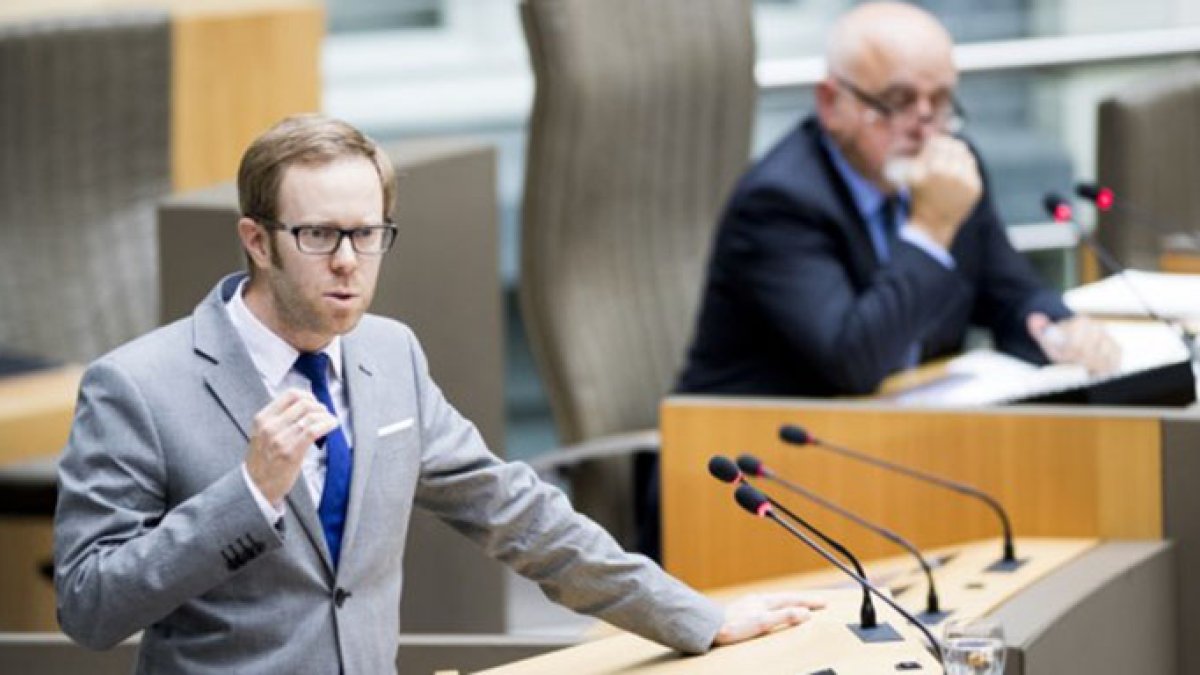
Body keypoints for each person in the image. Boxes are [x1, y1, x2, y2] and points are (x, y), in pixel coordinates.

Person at [53, 114, 823, 674]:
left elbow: (516, 513)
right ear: (257, 239)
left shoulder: (390, 354)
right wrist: (249, 493)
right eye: (319, 236)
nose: (350, 262)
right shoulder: (138, 385)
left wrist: (697, 616)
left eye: (369, 233)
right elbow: (89, 607)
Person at [676, 1, 1120, 398]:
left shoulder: (951, 173)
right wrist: (930, 231)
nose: (925, 128)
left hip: (899, 441)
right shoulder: (779, 203)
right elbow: (853, 364)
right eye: (898, 102)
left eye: (941, 102)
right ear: (831, 103)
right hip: (752, 461)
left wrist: (1058, 330)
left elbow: (1011, 295)